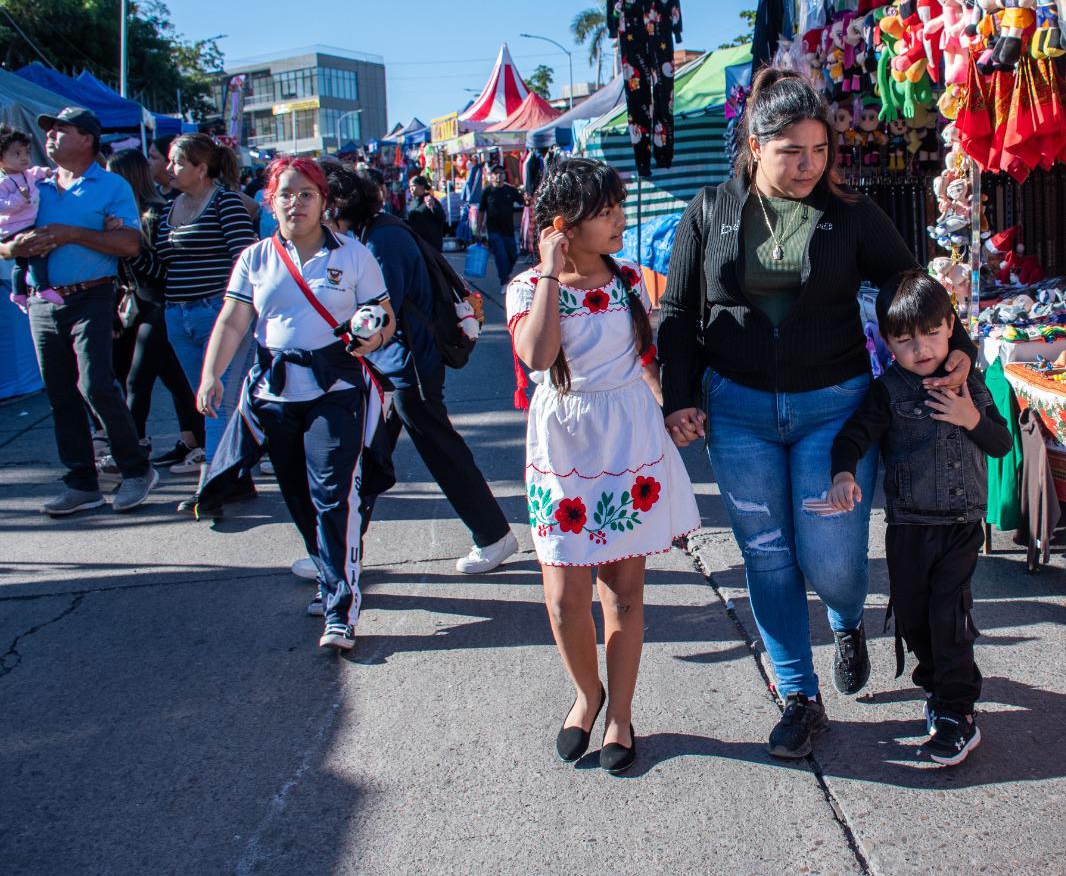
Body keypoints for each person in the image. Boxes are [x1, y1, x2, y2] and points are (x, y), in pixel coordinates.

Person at [657, 70, 976, 759]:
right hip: (736, 414)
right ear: (753, 143)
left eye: (819, 150)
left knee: (832, 559)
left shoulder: (853, 216)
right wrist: (679, 393)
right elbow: (677, 310)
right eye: (791, 151)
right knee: (767, 556)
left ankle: (845, 617)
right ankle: (799, 695)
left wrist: (961, 355)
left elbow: (910, 286)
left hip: (834, 409)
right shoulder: (710, 210)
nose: (808, 166)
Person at [507, 156, 699, 773]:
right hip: (564, 449)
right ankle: (586, 695)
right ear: (564, 224)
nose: (618, 219)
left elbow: (646, 360)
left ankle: (621, 712)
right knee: (564, 595)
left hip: (627, 443)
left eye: (618, 207)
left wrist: (670, 408)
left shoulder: (632, 280)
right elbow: (538, 356)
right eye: (604, 212)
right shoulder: (526, 288)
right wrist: (547, 272)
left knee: (624, 591)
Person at [197, 157, 394, 652]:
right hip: (274, 394)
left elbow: (385, 315)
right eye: (285, 193)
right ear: (271, 201)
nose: (296, 202)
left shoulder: (354, 256)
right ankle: (331, 575)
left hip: (337, 390)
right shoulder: (256, 258)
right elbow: (233, 321)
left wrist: (372, 333)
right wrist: (211, 376)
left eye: (307, 193)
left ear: (325, 202)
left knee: (334, 495)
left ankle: (340, 610)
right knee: (298, 496)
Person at [827, 272, 1012, 766]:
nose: (921, 348)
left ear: (950, 326)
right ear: (887, 341)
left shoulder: (968, 381)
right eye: (905, 340)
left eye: (931, 333)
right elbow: (853, 436)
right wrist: (843, 474)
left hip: (959, 525)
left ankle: (957, 711)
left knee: (948, 616)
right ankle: (937, 688)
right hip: (908, 526)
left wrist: (970, 417)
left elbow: (1001, 442)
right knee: (913, 617)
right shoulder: (888, 390)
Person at [321, 164, 519, 574]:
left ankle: (494, 535)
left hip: (406, 365)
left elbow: (376, 310)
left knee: (436, 451)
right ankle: (336, 550)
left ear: (336, 203)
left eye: (314, 198)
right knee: (367, 460)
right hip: (395, 366)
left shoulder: (380, 240)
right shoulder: (374, 233)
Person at [0, 108, 157, 514]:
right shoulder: (36, 183)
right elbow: (3, 238)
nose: (49, 137)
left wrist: (73, 234)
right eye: (48, 131)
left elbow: (129, 245)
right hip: (41, 300)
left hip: (92, 295)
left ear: (86, 138)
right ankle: (82, 483)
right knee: (60, 393)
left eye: (60, 130)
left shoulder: (110, 185)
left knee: (95, 385)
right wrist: (12, 249)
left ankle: (136, 470)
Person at [155, 133, 259, 514]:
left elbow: (245, 261)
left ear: (201, 168)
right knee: (207, 400)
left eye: (178, 162)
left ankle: (212, 484)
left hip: (220, 312)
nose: (169, 169)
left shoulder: (226, 202)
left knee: (216, 398)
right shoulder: (169, 207)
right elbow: (162, 262)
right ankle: (237, 475)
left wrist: (238, 311)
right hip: (177, 314)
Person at [107, 149, 205, 471]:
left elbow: (164, 268)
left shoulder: (156, 213)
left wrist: (128, 247)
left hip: (162, 304)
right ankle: (194, 442)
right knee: (174, 378)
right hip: (140, 305)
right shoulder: (128, 213)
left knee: (139, 379)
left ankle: (132, 452)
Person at [0, 124, 58, 308]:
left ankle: (18, 293)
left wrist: (47, 172)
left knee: (22, 263)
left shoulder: (26, 174)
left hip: (26, 224)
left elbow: (37, 172)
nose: (24, 158)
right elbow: (1, 206)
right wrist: (19, 197)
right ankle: (43, 287)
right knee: (37, 254)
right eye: (17, 154)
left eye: (26, 152)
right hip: (14, 227)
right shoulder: (3, 182)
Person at [477, 163, 522, 288]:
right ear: (491, 176)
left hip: (509, 230)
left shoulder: (510, 190)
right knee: (501, 255)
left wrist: (527, 197)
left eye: (501, 173)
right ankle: (504, 281)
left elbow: (523, 201)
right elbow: (481, 211)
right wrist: (478, 229)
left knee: (513, 255)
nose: (499, 175)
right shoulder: (487, 191)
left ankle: (506, 275)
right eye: (496, 173)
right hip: (493, 230)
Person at [404, 175, 447, 252]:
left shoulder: (430, 200)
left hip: (431, 245)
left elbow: (442, 217)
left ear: (422, 186)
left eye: (413, 186)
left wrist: (433, 207)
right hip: (417, 244)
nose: (411, 189)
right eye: (410, 187)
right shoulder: (411, 203)